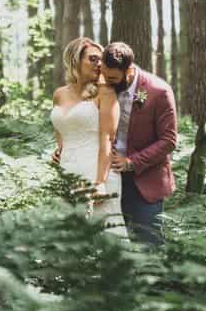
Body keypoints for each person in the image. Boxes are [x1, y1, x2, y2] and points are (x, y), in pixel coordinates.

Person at [100, 42, 176, 245]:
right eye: (104, 75)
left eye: (113, 78)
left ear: (130, 71)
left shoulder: (159, 91)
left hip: (146, 180)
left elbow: (169, 140)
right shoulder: (103, 87)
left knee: (148, 244)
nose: (107, 82)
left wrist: (131, 162)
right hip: (109, 178)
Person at [50, 37, 127, 237]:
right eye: (93, 59)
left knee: (107, 236)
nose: (99, 64)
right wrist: (59, 152)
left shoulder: (106, 93)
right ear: (75, 60)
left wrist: (100, 182)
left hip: (97, 172)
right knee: (72, 239)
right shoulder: (59, 94)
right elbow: (62, 132)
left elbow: (108, 140)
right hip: (68, 172)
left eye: (101, 59)